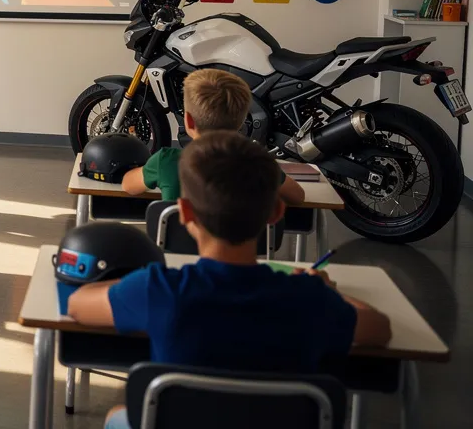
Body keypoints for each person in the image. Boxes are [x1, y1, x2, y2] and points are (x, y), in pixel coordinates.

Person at [67, 131, 392, 429]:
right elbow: (380, 329)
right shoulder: (311, 300)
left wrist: (130, 280)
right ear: (276, 213)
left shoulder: (156, 289)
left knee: (116, 415)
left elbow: (78, 305)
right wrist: (325, 290)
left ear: (185, 212)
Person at [122, 69, 305, 205]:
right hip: (240, 247)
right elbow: (298, 196)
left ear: (189, 121)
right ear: (241, 123)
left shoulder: (166, 161)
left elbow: (128, 186)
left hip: (178, 247)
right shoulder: (260, 163)